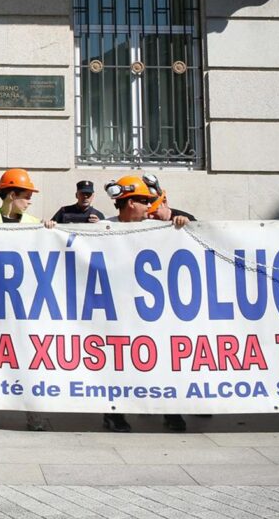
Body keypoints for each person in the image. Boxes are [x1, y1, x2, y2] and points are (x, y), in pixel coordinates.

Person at [102, 175, 188, 433]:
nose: (149, 207)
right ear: (129, 203)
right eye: (144, 202)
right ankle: (114, 412)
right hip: (117, 309)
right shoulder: (104, 228)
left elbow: (196, 230)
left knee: (163, 358)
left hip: (153, 310)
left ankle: (171, 411)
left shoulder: (156, 226)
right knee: (118, 362)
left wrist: (179, 217)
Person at [0, 169, 54, 430]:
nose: (30, 201)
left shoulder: (32, 221)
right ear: (11, 195)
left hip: (23, 304)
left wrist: (50, 230)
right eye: (26, 196)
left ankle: (35, 415)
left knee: (29, 357)